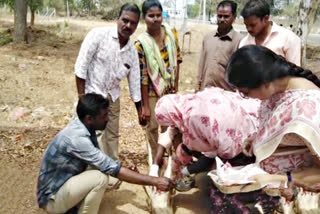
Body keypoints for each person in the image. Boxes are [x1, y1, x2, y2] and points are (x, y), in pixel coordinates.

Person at [37, 94, 174, 214]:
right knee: (100, 178)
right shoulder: (78, 139)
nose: (108, 119)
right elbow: (111, 168)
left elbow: (103, 162)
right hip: (52, 199)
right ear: (90, 118)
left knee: (110, 178)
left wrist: (123, 169)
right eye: (104, 116)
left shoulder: (83, 125)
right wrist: (156, 181)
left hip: (58, 187)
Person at [74, 3, 142, 160]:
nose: (128, 25)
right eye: (125, 20)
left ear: (137, 25)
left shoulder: (132, 51)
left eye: (133, 23)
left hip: (113, 97)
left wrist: (139, 110)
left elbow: (134, 83)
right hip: (92, 94)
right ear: (117, 19)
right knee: (90, 134)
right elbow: (81, 67)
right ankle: (90, 170)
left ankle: (112, 169)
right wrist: (82, 98)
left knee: (112, 135)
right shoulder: (98, 36)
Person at [149, 87, 260, 182]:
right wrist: (154, 169)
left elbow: (208, 158)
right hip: (254, 112)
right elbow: (167, 135)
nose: (172, 125)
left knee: (205, 180)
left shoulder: (195, 122)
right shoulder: (188, 104)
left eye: (170, 122)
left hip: (247, 137)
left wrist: (184, 172)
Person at [135, 0, 182, 158]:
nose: (155, 19)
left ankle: (169, 157)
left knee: (169, 125)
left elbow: (178, 59)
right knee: (153, 126)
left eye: (158, 15)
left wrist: (175, 87)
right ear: (144, 18)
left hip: (169, 89)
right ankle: (156, 157)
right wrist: (145, 106)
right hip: (151, 91)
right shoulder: (141, 43)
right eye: (151, 16)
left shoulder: (171, 33)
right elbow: (143, 76)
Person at [196, 0, 242, 91]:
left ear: (234, 17)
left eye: (226, 16)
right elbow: (201, 65)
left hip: (226, 96)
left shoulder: (239, 41)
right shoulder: (208, 38)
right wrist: (197, 87)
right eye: (219, 16)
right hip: (205, 93)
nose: (221, 19)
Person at [239, 0, 301, 66]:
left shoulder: (289, 39)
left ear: (266, 18)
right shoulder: (244, 43)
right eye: (246, 25)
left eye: (253, 25)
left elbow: (295, 72)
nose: (248, 29)